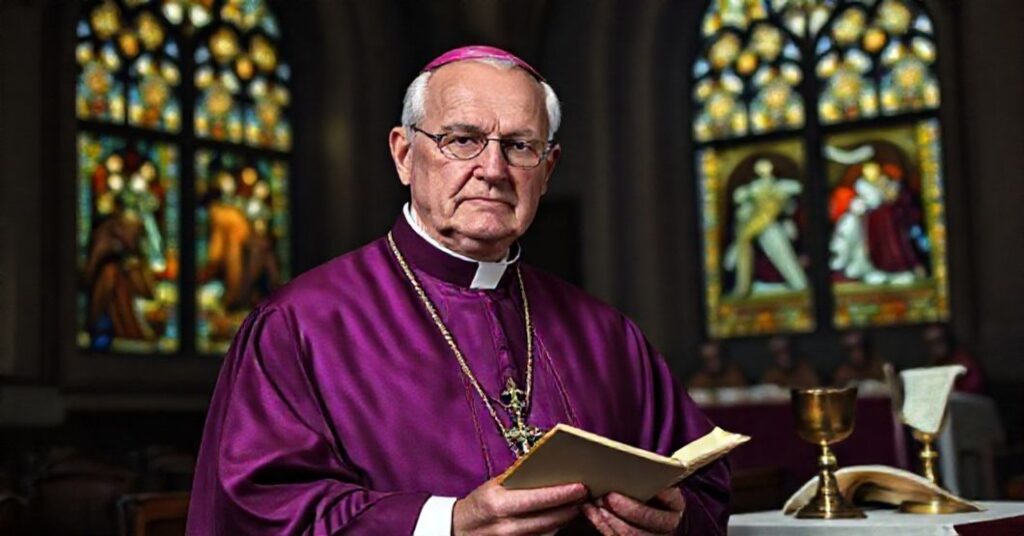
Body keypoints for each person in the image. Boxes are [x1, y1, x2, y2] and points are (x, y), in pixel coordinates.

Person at [187, 46, 731, 535]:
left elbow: (703, 483)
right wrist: (447, 523)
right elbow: (257, 511)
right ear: (404, 155)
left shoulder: (607, 334)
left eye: (521, 146)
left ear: (548, 168)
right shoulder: (299, 324)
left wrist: (673, 521)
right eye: (462, 140)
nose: (492, 170)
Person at [723, 158, 807, 297]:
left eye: (767, 170)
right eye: (762, 170)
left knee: (781, 250)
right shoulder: (752, 189)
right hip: (755, 228)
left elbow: (795, 190)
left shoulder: (780, 186)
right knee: (741, 247)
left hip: (771, 227)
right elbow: (739, 197)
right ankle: (742, 287)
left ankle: (799, 285)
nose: (765, 173)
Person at [922, 324, 985, 394]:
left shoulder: (965, 363)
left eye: (939, 341)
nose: (935, 347)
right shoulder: (933, 365)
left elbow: (972, 394)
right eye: (930, 343)